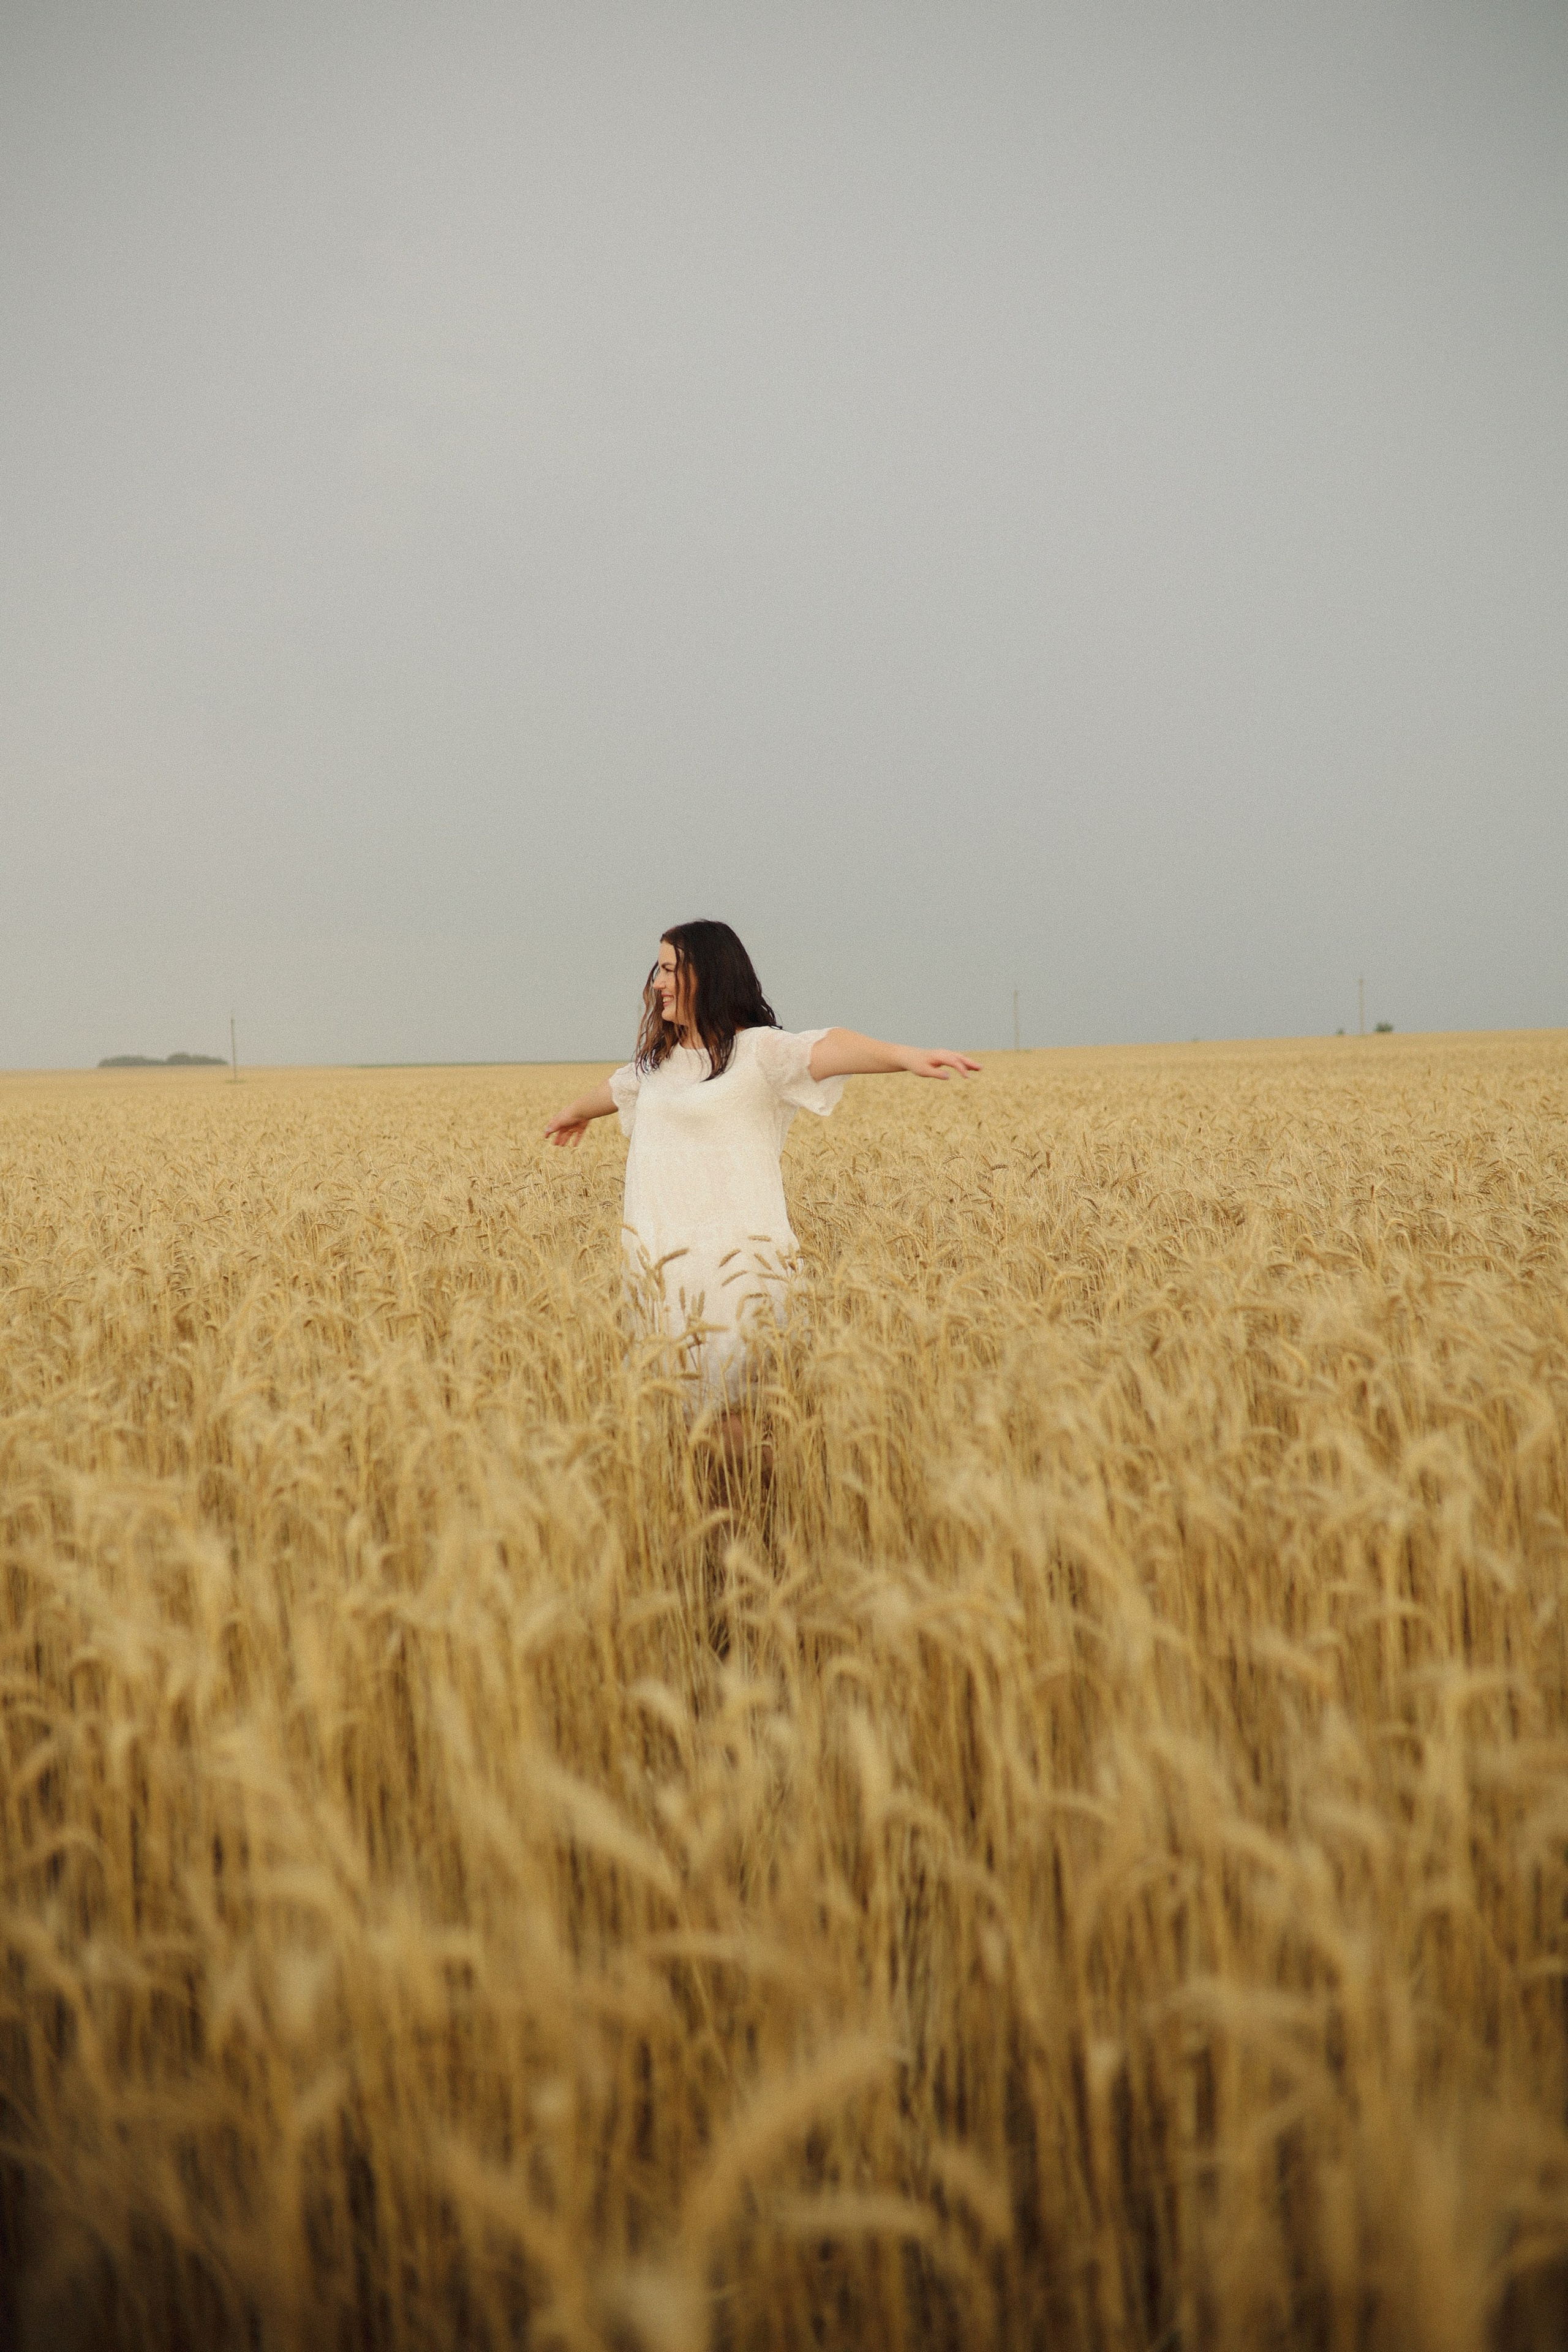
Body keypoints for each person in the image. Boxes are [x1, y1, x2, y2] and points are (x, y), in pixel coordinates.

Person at [544, 920, 978, 1432]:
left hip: (739, 1275)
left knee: (740, 1429)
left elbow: (827, 1046)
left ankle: (770, 1510)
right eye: (656, 970)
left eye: (668, 970)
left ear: (707, 975)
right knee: (675, 1431)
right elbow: (616, 1090)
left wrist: (904, 1057)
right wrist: (574, 1111)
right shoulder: (656, 1066)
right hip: (663, 1278)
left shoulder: (758, 1054)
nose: (656, 983)